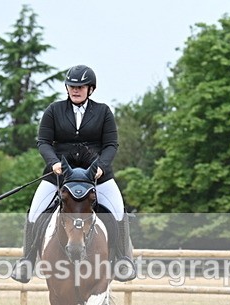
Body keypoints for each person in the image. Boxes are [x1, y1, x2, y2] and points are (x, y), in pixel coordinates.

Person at [11, 64, 136, 283]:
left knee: (118, 209)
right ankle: (27, 261)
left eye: (81, 87)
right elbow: (43, 142)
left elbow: (111, 145)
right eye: (71, 86)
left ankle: (123, 260)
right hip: (59, 174)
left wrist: (101, 167)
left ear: (91, 89)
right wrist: (53, 163)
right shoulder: (54, 110)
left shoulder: (103, 111)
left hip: (96, 175)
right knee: (34, 211)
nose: (75, 90)